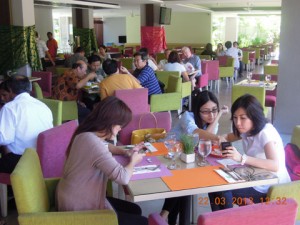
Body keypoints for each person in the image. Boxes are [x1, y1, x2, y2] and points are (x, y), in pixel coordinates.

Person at [56, 96, 148, 225]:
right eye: (120, 125)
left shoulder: (85, 134)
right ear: (110, 122)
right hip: (79, 208)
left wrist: (125, 152)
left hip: (71, 196)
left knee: (134, 209)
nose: (121, 129)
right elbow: (123, 177)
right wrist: (133, 161)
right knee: (142, 222)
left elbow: (104, 146)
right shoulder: (92, 142)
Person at [208, 94, 291, 211]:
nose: (237, 123)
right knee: (213, 186)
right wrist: (221, 138)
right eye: (235, 118)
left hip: (270, 185)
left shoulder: (265, 132)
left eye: (243, 118)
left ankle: (228, 219)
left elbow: (274, 165)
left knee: (222, 189)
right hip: (255, 176)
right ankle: (219, 220)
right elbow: (228, 136)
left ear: (254, 116)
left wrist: (242, 158)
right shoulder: (248, 130)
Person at [160, 90, 228, 225]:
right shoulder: (187, 116)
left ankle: (166, 216)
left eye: (215, 110)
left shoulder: (212, 122)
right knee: (183, 182)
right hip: (168, 153)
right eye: (206, 111)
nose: (211, 115)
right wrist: (217, 134)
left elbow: (205, 141)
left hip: (188, 156)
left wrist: (218, 116)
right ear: (197, 110)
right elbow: (200, 135)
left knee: (186, 183)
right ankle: (165, 216)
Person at [0, 75, 53, 174]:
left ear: (10, 89)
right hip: (43, 158)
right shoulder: (42, 105)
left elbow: (3, 139)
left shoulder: (10, 107)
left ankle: (11, 186)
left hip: (21, 161)